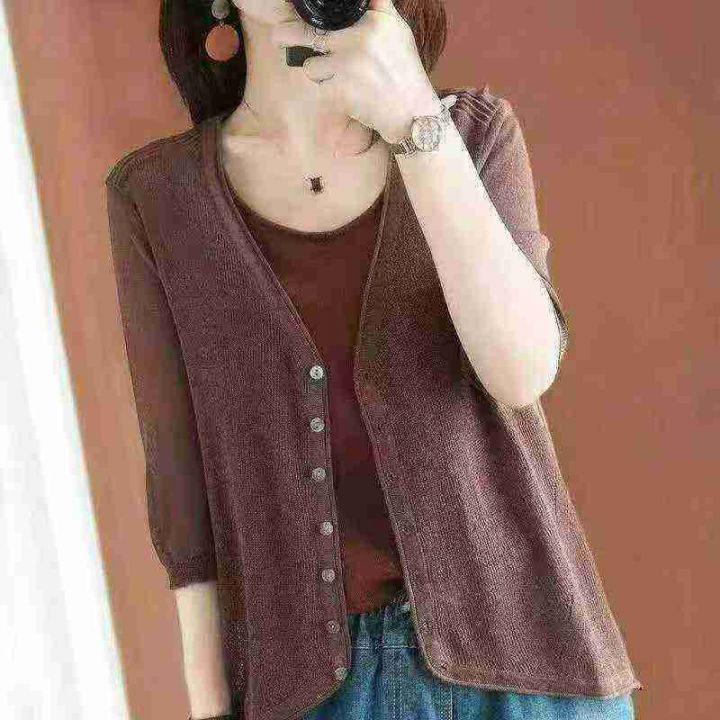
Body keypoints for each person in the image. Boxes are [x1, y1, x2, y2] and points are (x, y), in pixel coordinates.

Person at [104, 1, 642, 719]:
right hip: (313, 696)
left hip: (530, 676)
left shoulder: (471, 135)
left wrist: (416, 125)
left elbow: (520, 373)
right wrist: (209, 707)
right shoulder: (157, 199)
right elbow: (182, 493)